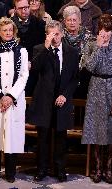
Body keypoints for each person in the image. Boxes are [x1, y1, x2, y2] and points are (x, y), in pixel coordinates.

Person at [27, 20, 79, 182]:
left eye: (57, 34)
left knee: (60, 138)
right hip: (44, 100)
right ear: (46, 35)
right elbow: (35, 67)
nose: (54, 37)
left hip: (62, 100)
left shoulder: (72, 52)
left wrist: (65, 95)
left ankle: (60, 169)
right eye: (51, 34)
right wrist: (46, 47)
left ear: (62, 34)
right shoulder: (40, 49)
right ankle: (41, 169)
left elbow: (74, 78)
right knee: (42, 138)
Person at [81, 14, 112, 184]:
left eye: (108, 31)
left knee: (111, 131)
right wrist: (99, 48)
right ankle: (97, 168)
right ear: (98, 30)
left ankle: (108, 168)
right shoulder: (91, 45)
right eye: (102, 31)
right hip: (96, 87)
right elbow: (89, 67)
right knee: (96, 131)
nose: (105, 34)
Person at [0, 17, 29, 183]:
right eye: (5, 31)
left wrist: (10, 96)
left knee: (12, 137)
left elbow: (24, 75)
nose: (8, 33)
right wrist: (0, 95)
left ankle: (10, 173)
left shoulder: (21, 51)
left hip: (14, 101)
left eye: (10, 30)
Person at [11, 0, 46, 96]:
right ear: (14, 9)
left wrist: (32, 63)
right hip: (12, 71)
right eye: (20, 8)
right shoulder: (8, 25)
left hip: (33, 71)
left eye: (26, 7)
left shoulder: (40, 24)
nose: (24, 11)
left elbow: (43, 48)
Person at [62, 5, 94, 99]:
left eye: (74, 20)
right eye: (69, 20)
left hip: (84, 78)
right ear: (64, 22)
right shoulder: (59, 37)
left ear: (79, 21)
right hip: (65, 79)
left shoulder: (89, 38)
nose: (72, 23)